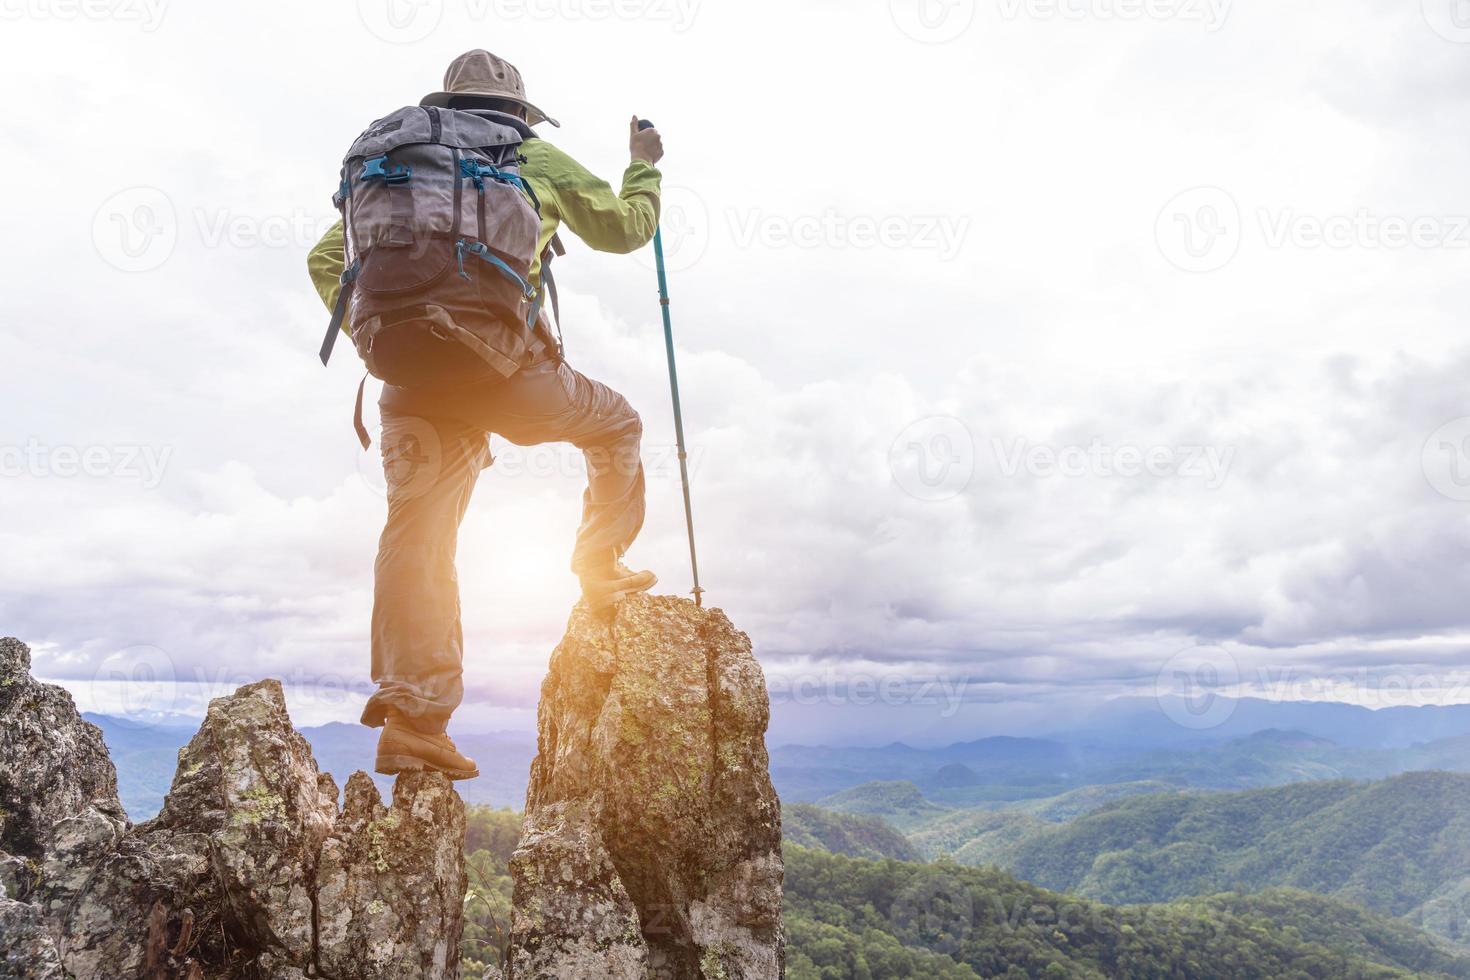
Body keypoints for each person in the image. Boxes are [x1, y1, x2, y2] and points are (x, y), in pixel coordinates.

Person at [307, 49, 664, 779]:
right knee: (616, 425)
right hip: (507, 371)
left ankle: (414, 718)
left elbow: (324, 260)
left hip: (406, 380)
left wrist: (379, 340)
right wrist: (645, 166)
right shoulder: (530, 153)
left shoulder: (390, 162)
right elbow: (627, 230)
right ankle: (599, 564)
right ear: (517, 110)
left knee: (418, 534)